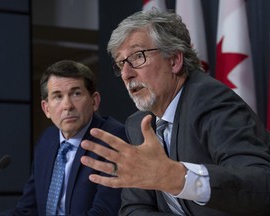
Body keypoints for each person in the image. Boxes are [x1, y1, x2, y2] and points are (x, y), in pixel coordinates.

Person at [80, 9, 270, 216]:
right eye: (121, 63)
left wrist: (179, 178)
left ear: (174, 61)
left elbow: (261, 186)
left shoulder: (209, 99)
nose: (126, 74)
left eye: (137, 56)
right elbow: (133, 209)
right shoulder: (139, 124)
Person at [0, 60, 127, 215]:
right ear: (46, 109)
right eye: (58, 96)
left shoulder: (112, 138)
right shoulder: (47, 140)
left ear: (94, 101)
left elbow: (104, 212)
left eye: (76, 93)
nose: (67, 105)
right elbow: (28, 210)